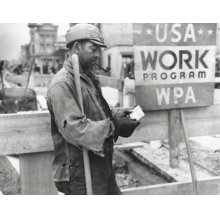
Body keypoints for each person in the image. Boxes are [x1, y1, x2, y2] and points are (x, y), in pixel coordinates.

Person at [47, 23, 140, 195]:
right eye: (93, 48)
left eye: (99, 49)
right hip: (81, 170)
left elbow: (95, 110)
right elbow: (75, 129)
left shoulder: (86, 77)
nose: (98, 55)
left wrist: (117, 114)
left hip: (100, 163)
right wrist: (115, 126)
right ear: (76, 47)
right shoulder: (63, 84)